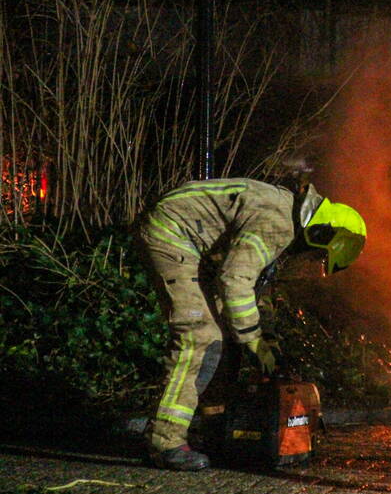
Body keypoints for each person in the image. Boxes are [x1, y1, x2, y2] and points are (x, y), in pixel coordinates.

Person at [137, 177, 366, 470]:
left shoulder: (287, 218)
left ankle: (215, 432)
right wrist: (254, 340)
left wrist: (265, 338)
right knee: (201, 335)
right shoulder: (278, 221)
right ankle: (164, 441)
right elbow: (235, 279)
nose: (310, 259)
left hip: (195, 244)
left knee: (226, 338)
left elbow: (257, 288)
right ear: (321, 233)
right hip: (172, 232)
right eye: (318, 254)